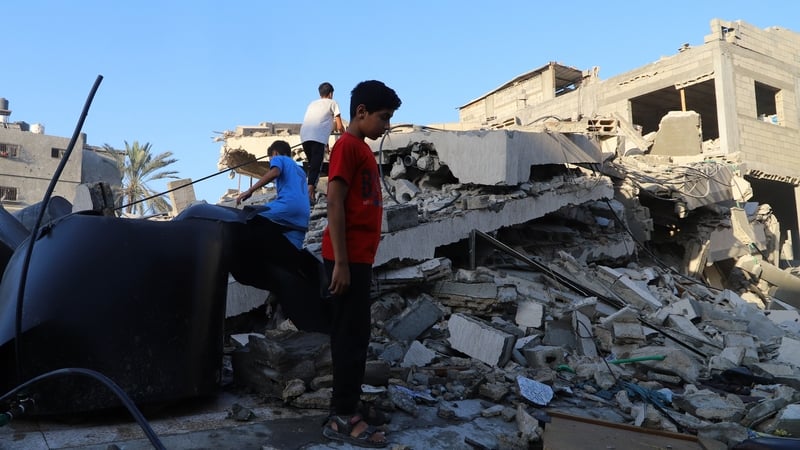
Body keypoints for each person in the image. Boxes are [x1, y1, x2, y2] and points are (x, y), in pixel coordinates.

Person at [320, 80, 401, 448]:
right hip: (345, 259)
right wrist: (340, 264)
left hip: (357, 260)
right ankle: (340, 416)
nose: (386, 126)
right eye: (383, 118)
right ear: (361, 112)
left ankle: (350, 404)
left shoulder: (361, 149)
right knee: (348, 340)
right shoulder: (347, 148)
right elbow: (334, 203)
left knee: (358, 337)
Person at [235, 140, 309, 249]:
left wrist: (250, 190)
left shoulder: (279, 158)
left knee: (250, 217)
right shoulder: (300, 170)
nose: (271, 162)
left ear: (274, 153)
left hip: (288, 205)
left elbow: (275, 172)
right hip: (303, 216)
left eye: (270, 160)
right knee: (293, 253)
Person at [300, 82, 345, 203]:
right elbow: (339, 125)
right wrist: (345, 136)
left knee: (312, 165)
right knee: (316, 166)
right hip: (317, 138)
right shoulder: (333, 103)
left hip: (304, 136)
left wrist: (326, 144)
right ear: (331, 94)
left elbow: (321, 124)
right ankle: (308, 194)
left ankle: (312, 195)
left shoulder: (312, 104)